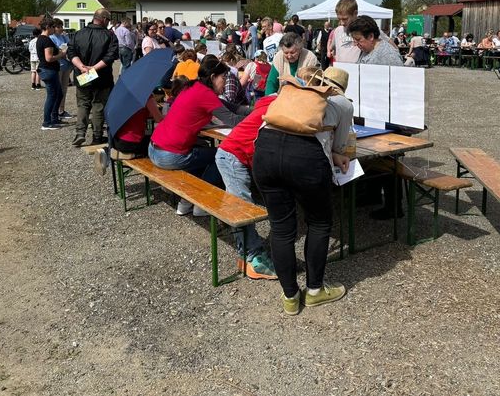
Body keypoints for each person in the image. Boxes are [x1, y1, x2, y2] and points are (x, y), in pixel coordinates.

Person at [253, 66, 353, 315]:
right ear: (340, 88)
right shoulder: (342, 103)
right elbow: (340, 146)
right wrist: (336, 154)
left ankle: (290, 296)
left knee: (281, 228)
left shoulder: (290, 91)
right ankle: (316, 291)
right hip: (305, 158)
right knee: (319, 223)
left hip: (265, 152)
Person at [148, 57, 245, 216]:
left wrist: (258, 109)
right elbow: (233, 119)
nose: (226, 82)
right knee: (223, 155)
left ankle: (186, 202)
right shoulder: (205, 94)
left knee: (204, 151)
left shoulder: (193, 87)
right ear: (213, 77)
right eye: (224, 78)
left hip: (155, 148)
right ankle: (202, 202)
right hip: (168, 155)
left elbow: (234, 108)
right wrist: (259, 119)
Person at [214, 94, 279, 280]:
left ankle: (246, 256)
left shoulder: (268, 103)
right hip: (234, 157)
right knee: (242, 208)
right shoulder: (278, 111)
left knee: (239, 204)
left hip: (230, 153)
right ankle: (254, 258)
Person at [67, 8, 119, 146]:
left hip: (82, 74)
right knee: (98, 105)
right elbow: (111, 55)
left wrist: (82, 67)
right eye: (108, 20)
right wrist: (93, 68)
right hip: (101, 77)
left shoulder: (78, 34)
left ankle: (80, 133)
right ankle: (97, 136)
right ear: (104, 19)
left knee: (83, 104)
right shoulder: (109, 35)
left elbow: (71, 52)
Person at [36, 17, 66, 131]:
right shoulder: (46, 40)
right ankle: (46, 122)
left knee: (59, 94)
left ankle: (54, 118)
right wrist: (61, 55)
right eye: (53, 27)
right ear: (48, 27)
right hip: (48, 70)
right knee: (52, 96)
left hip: (47, 70)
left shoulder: (41, 39)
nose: (55, 29)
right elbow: (49, 58)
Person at [50, 19, 74, 120]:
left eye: (61, 26)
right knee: (57, 89)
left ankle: (62, 110)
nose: (61, 28)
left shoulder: (63, 36)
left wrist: (66, 37)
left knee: (64, 88)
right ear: (54, 28)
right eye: (58, 27)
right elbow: (58, 51)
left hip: (67, 65)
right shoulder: (51, 38)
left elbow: (70, 46)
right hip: (59, 65)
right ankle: (54, 111)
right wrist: (63, 52)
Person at [328, 0, 360, 64]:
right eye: (339, 19)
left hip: (358, 71)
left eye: (345, 19)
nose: (342, 23)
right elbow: (331, 47)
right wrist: (331, 53)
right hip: (341, 71)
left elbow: (387, 42)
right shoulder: (337, 30)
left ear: (355, 13)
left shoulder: (366, 28)